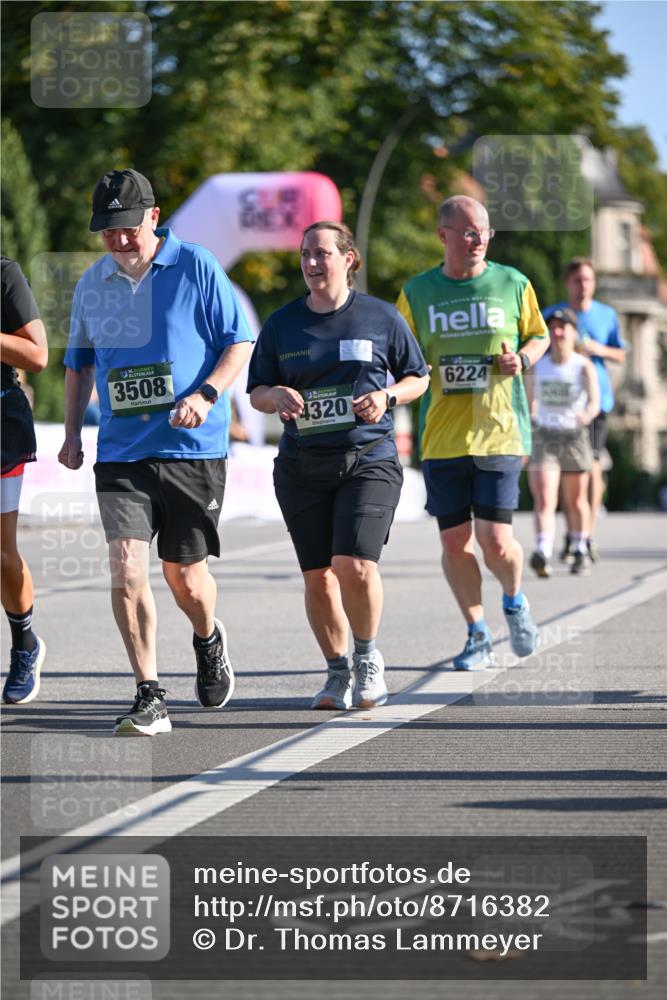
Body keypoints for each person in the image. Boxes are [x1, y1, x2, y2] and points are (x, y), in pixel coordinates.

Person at [58, 169, 254, 735]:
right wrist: (73, 432)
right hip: (121, 451)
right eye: (107, 231)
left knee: (185, 578)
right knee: (125, 568)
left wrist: (207, 393)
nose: (118, 240)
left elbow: (237, 341)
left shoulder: (196, 265)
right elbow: (80, 364)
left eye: (127, 228)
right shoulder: (93, 283)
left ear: (152, 216)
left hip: (192, 446)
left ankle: (207, 637)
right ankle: (149, 693)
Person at [247, 221, 429, 709]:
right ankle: (336, 671)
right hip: (302, 465)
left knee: (354, 563)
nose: (310, 263)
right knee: (319, 576)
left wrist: (387, 395)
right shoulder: (283, 324)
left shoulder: (380, 317)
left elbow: (418, 377)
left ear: (348, 259)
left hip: (367, 459)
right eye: (305, 254)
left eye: (321, 253)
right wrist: (276, 395)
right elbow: (257, 391)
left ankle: (367, 658)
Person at [397, 195, 548, 671]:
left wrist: (521, 360)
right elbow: (399, 355)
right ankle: (477, 632)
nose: (478, 239)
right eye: (467, 231)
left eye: (484, 231)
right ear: (443, 235)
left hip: (500, 430)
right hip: (442, 436)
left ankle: (515, 601)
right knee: (453, 543)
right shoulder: (417, 292)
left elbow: (539, 335)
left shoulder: (512, 282)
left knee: (495, 540)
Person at [545, 257, 626, 562]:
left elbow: (620, 353)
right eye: (578, 280)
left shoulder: (606, 314)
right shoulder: (554, 315)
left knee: (590, 465)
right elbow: (537, 349)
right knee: (568, 472)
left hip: (595, 404)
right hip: (560, 403)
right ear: (568, 283)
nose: (583, 286)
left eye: (588, 280)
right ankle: (573, 532)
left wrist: (598, 350)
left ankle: (587, 533)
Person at [1, 257, 48, 703]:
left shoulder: (4, 273)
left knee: (1, 552)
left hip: (1, 422)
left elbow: (38, 355)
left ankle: (25, 644)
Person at [526, 308, 600, 578]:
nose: (557, 333)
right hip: (545, 435)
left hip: (574, 435)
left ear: (572, 333)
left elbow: (595, 401)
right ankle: (542, 550)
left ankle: (580, 546)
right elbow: (529, 400)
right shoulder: (539, 365)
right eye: (553, 328)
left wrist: (587, 414)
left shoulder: (582, 366)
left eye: (563, 328)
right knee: (545, 496)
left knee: (576, 498)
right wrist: (531, 419)